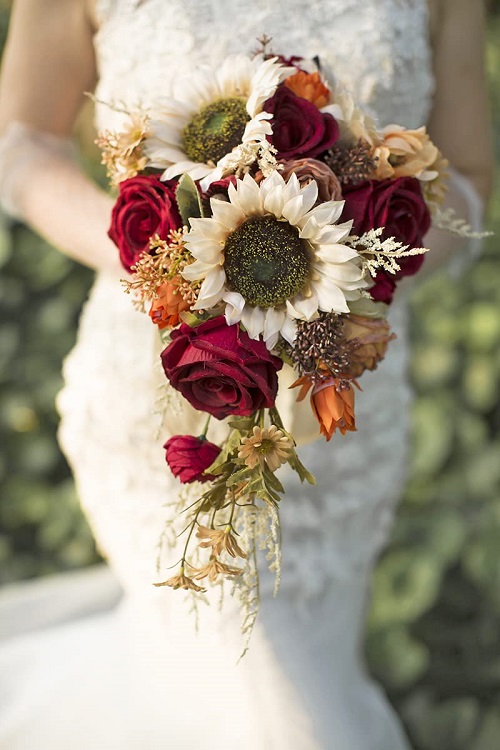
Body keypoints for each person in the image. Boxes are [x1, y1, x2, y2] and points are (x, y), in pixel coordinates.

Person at [0, 1, 493, 748]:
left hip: (342, 420)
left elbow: (473, 176)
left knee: (276, 679)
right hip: (160, 409)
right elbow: (23, 142)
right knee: (272, 709)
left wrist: (356, 274)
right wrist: (159, 263)